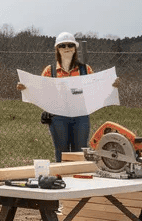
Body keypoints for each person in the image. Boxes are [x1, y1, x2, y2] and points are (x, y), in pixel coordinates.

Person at [17, 32, 121, 162]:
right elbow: (41, 90)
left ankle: (78, 174)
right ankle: (62, 174)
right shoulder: (50, 71)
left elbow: (96, 88)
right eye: (62, 45)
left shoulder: (85, 70)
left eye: (70, 45)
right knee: (62, 153)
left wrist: (111, 85)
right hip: (58, 117)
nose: (67, 48)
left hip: (81, 116)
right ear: (57, 49)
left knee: (80, 152)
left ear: (75, 48)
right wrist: (26, 87)